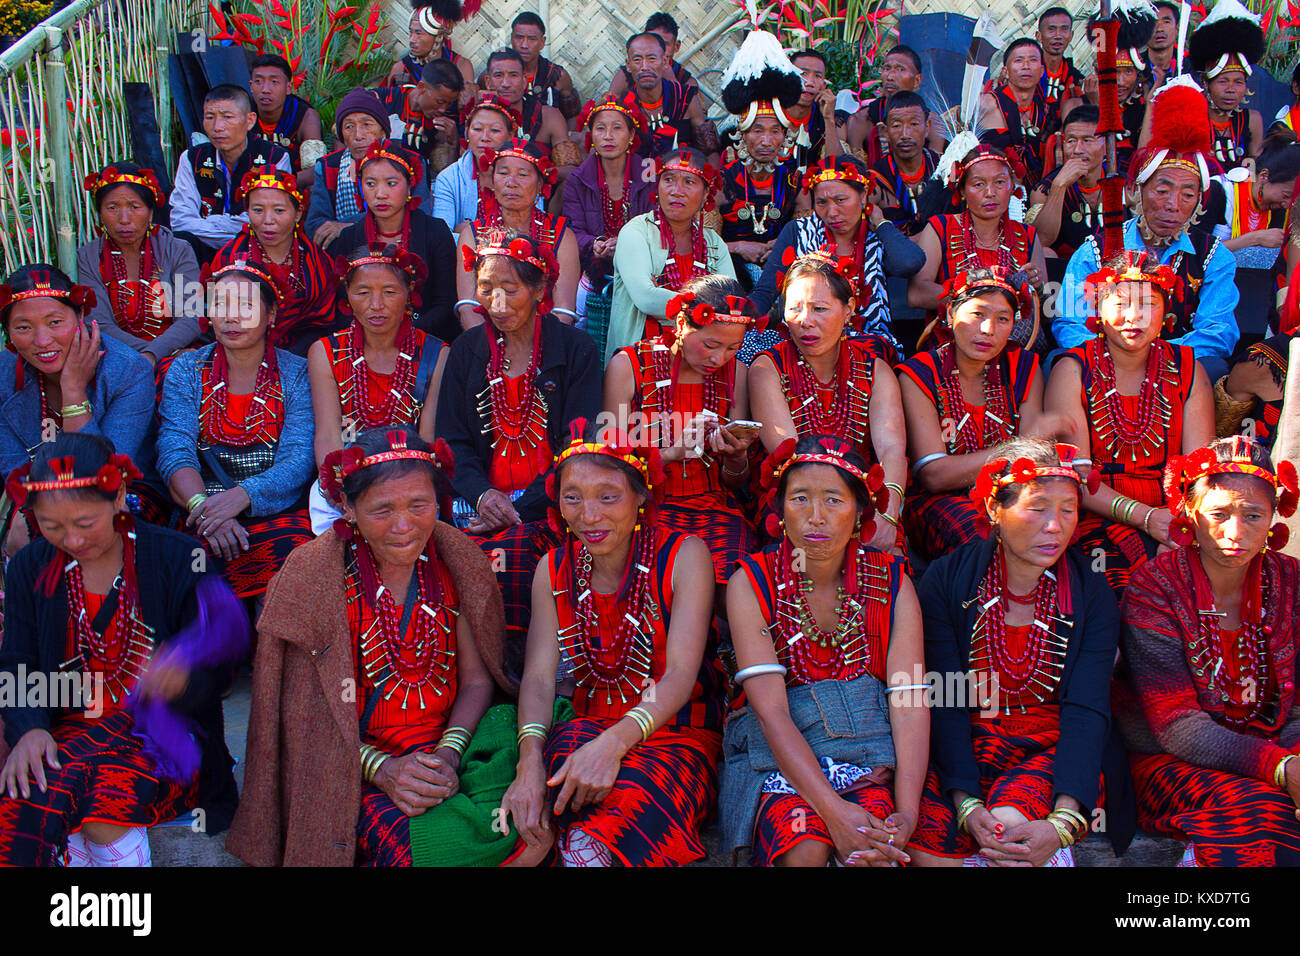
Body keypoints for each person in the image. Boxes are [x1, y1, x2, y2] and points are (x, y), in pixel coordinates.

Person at [226, 427, 522, 866]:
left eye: (419, 505)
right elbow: (307, 715)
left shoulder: (456, 561)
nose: (404, 526)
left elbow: (479, 682)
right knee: (431, 849)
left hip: (446, 752)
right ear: (347, 507)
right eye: (382, 509)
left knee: (531, 802)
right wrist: (385, 771)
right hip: (349, 766)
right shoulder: (313, 579)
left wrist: (446, 755)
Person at [0, 433, 245, 866]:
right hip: (69, 731)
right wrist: (28, 731)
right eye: (53, 526)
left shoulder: (177, 555)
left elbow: (222, 666)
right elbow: (18, 663)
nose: (71, 540)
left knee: (88, 801)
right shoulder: (29, 567)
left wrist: (183, 678)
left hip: (163, 738)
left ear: (119, 497)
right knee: (36, 787)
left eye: (85, 522)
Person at [501, 425, 724, 866]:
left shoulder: (683, 556)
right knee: (534, 811)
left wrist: (612, 745)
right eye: (572, 497)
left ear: (642, 495)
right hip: (584, 730)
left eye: (608, 496)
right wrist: (529, 761)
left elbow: (680, 675)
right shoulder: (554, 568)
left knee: (618, 820)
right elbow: (541, 677)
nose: (588, 515)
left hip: (675, 733)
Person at [721, 435, 928, 866]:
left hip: (868, 755)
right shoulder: (752, 582)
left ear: (859, 513)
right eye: (800, 498)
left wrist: (907, 812)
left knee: (876, 851)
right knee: (805, 849)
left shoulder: (892, 583)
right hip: (778, 763)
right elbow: (771, 713)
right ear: (780, 510)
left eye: (833, 500)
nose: (815, 517)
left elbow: (908, 703)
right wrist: (833, 814)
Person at [912, 441, 1120, 867]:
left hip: (1052, 748)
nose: (1055, 526)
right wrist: (966, 801)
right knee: (927, 852)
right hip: (965, 743)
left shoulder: (1091, 592)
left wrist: (1063, 818)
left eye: (1067, 509)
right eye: (1038, 507)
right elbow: (946, 700)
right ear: (994, 508)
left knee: (1011, 837)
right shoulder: (946, 582)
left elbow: (1087, 707)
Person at [1117, 436, 1300, 866]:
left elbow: (1297, 709)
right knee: (1260, 816)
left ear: (1274, 517)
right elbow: (1176, 725)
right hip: (1169, 762)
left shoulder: (1293, 583)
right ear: (1190, 514)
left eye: (1253, 515)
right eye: (1219, 514)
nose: (1235, 533)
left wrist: (1293, 761)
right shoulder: (1156, 586)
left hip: (1278, 751)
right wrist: (1280, 769)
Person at [1046, 250, 1215, 594]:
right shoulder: (1074, 370)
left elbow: (1200, 472)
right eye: (1121, 302)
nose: (1134, 316)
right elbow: (1075, 478)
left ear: (1166, 312)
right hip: (1096, 511)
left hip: (1174, 512)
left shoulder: (1188, 369)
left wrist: (1178, 526)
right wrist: (1147, 519)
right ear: (1098, 308)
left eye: (1149, 303)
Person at [1056, 78, 1239, 381]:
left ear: (1198, 203)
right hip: (1104, 368)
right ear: (1136, 191)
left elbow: (1218, 332)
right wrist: (1118, 356)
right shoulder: (1097, 249)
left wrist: (1152, 357)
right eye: (1162, 190)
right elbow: (1069, 323)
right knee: (1063, 365)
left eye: (1187, 194)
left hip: (1174, 369)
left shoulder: (1214, 257)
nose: (1173, 204)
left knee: (1214, 368)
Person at [157, 260, 315, 601]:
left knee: (293, 562)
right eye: (220, 304)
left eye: (245, 305)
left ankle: (270, 654)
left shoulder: (297, 373)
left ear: (271, 314)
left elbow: (299, 457)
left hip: (274, 511)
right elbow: (174, 447)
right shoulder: (186, 369)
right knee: (188, 566)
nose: (231, 317)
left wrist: (240, 498)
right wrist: (206, 509)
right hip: (198, 510)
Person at [439, 231, 600, 533]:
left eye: (510, 290)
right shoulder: (466, 350)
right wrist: (483, 496)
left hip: (551, 506)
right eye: (486, 288)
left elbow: (577, 442)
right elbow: (452, 440)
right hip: (477, 506)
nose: (497, 304)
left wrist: (518, 511)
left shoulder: (576, 350)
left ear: (539, 290)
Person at [603, 276, 760, 587]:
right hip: (644, 509)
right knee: (656, 581)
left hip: (715, 508)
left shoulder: (736, 374)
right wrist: (674, 453)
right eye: (711, 345)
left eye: (733, 348)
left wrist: (736, 457)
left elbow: (734, 481)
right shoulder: (630, 365)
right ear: (681, 322)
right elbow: (608, 468)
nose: (719, 359)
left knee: (735, 580)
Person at [748, 251, 907, 554]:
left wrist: (888, 513)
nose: (805, 321)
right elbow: (788, 456)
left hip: (862, 497)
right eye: (794, 309)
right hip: (794, 499)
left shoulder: (874, 370)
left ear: (849, 310)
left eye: (819, 308)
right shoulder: (768, 368)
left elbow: (892, 449)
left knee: (887, 556)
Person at [898, 267, 1047, 563]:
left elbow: (1032, 462)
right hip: (938, 501)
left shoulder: (1024, 367)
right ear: (951, 313)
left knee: (1046, 530)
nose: (988, 330)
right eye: (977, 314)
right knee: (985, 538)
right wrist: (1017, 449)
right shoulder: (920, 373)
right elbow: (934, 475)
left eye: (1002, 319)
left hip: (1011, 492)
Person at [307, 245, 447, 531]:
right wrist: (339, 488)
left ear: (409, 293)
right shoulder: (325, 352)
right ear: (347, 295)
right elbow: (329, 434)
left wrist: (401, 489)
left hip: (411, 475)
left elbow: (428, 438)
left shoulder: (436, 353)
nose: (376, 304)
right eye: (362, 292)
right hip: (346, 479)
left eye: (389, 291)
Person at [0, 266, 155, 507]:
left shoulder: (128, 371)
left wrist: (72, 391)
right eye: (23, 327)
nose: (42, 341)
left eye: (55, 322)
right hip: (34, 495)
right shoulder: (4, 373)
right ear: (8, 332)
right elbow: (12, 466)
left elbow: (104, 474)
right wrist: (26, 513)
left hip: (119, 495)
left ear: (80, 315)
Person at [750, 156, 924, 361]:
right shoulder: (799, 231)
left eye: (841, 200)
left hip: (868, 344)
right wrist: (735, 316)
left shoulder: (878, 235)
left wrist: (881, 222)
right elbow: (765, 292)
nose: (831, 212)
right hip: (806, 340)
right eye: (821, 202)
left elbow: (909, 263)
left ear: (863, 196)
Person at [606, 148, 733, 363]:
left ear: (705, 195)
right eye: (669, 180)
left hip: (704, 360)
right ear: (657, 188)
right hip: (641, 362)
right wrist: (706, 308)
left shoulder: (713, 244)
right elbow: (646, 299)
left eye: (689, 182)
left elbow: (730, 302)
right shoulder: (636, 232)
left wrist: (670, 299)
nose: (676, 190)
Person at [909, 143, 1047, 331]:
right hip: (952, 343)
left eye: (999, 182)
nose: (990, 193)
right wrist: (976, 299)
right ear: (962, 191)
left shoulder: (1027, 236)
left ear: (1012, 187)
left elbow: (1047, 304)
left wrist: (1036, 288)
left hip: (1013, 344)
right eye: (979, 184)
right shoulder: (940, 228)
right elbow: (917, 293)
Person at [77, 163, 202, 363]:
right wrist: (151, 354)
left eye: (135, 207)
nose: (124, 219)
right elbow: (98, 323)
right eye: (112, 208)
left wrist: (156, 354)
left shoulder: (177, 250)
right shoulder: (89, 257)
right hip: (117, 356)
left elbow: (193, 316)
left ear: (151, 212)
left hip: (180, 354)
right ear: (100, 213)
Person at [209, 166, 340, 356]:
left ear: (298, 213)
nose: (267, 220)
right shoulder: (229, 258)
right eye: (258, 210)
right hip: (239, 353)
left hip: (304, 355)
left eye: (279, 210)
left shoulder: (316, 261)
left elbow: (322, 323)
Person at [336, 140, 458, 341]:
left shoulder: (435, 232)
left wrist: (399, 334)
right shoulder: (349, 238)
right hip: (364, 340)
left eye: (391, 183)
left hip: (424, 338)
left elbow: (444, 304)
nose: (380, 194)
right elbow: (343, 304)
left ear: (410, 186)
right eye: (370, 184)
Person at [453, 138, 580, 329]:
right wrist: (492, 349)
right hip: (485, 338)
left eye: (522, 174)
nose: (511, 183)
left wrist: (534, 350)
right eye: (503, 173)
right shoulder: (473, 234)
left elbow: (563, 310)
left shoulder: (561, 235)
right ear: (493, 180)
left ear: (539, 185)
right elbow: (468, 306)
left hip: (546, 338)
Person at [716, 29, 808, 288]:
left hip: (783, 271)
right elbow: (705, 242)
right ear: (742, 135)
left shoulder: (795, 180)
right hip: (732, 275)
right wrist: (738, 247)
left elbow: (806, 234)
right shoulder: (722, 182)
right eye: (757, 130)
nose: (767, 141)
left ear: (785, 136)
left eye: (775, 131)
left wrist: (782, 245)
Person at [562, 94, 655, 348]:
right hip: (594, 262)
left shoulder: (649, 174)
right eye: (600, 128)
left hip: (641, 261)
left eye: (617, 128)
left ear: (632, 135)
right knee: (583, 305)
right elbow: (573, 229)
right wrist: (595, 245)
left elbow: (657, 222)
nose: (608, 136)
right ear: (591, 135)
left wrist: (627, 245)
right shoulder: (578, 179)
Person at [169, 85, 292, 264]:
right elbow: (180, 222)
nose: (217, 127)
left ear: (249, 121)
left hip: (255, 251)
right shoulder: (192, 158)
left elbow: (266, 224)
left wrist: (211, 222)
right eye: (210, 117)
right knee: (182, 240)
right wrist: (233, 226)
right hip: (202, 251)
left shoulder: (275, 158)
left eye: (227, 117)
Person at [307, 88, 433, 254]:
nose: (358, 135)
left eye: (367, 124)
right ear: (342, 135)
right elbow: (315, 224)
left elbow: (420, 217)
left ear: (383, 131)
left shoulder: (412, 162)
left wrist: (351, 227)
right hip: (348, 254)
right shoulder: (329, 167)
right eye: (349, 127)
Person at [1187, 0, 1265, 172]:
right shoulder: (1192, 119)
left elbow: (1254, 172)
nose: (1231, 89)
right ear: (1205, 83)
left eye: (1238, 82)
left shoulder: (1252, 120)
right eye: (1223, 81)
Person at [623, 32, 719, 163]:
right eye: (637, 60)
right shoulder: (623, 106)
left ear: (664, 62)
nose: (644, 67)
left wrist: (712, 181)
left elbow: (709, 149)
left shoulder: (684, 98)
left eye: (651, 59)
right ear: (628, 65)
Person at [432, 94, 520, 233]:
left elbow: (530, 231)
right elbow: (443, 238)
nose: (484, 138)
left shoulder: (525, 174)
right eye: (477, 129)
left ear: (511, 135)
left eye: (495, 130)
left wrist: (469, 230)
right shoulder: (449, 178)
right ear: (467, 132)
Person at [480, 49, 576, 175]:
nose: (506, 84)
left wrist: (534, 175)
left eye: (513, 75)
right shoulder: (478, 118)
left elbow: (570, 169)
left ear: (524, 80)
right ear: (488, 82)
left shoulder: (548, 116)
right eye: (498, 76)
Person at [1029, 105, 1106, 258]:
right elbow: (1041, 242)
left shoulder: (1123, 185)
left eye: (1087, 140)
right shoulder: (1044, 189)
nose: (1077, 150)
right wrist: (1059, 187)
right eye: (1071, 141)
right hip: (1064, 275)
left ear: (1107, 144)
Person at [1209, 137, 1300, 267]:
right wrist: (1254, 239)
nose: (1286, 205)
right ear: (1264, 176)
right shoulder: (1220, 191)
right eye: (1286, 195)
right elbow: (1198, 251)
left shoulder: (1279, 208)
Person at [847, 46, 942, 166]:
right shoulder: (861, 120)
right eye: (887, 68)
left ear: (917, 80)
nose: (890, 77)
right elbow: (856, 173)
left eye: (900, 69)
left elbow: (936, 171)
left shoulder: (932, 123)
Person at [978, 38, 1054, 186]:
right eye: (1019, 60)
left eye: (1033, 60)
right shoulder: (986, 104)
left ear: (1042, 71)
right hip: (992, 189)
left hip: (1033, 192)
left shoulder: (1044, 110)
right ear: (1005, 71)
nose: (1026, 66)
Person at [379, 58, 465, 182]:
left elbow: (444, 180)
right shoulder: (383, 99)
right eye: (440, 102)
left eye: (449, 104)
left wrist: (453, 144)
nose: (443, 109)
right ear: (421, 87)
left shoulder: (439, 129)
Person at [249, 53, 324, 190]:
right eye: (259, 81)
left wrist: (277, 183)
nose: (265, 90)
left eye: (274, 82)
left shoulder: (305, 116)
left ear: (288, 88)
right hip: (249, 184)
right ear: (251, 86)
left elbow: (316, 169)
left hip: (291, 187)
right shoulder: (243, 112)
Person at [871, 91, 940, 236]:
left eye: (914, 124)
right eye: (896, 125)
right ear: (885, 132)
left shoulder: (943, 168)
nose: (905, 134)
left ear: (927, 127)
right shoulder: (876, 180)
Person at [386, 0, 478, 106]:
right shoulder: (401, 68)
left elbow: (466, 110)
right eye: (411, 32)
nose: (412, 39)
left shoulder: (462, 66)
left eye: (419, 33)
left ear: (438, 37)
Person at [499, 11, 580, 120]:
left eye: (532, 39)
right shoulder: (496, 75)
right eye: (519, 38)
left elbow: (572, 116)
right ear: (511, 39)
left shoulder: (558, 76)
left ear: (542, 42)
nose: (524, 45)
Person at [609, 12, 699, 97]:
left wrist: (672, 83)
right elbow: (607, 106)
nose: (657, 50)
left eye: (664, 44)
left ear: (676, 46)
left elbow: (696, 111)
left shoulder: (686, 82)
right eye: (652, 43)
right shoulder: (627, 75)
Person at [782, 49, 844, 171]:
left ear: (824, 86)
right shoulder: (768, 110)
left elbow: (836, 168)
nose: (809, 83)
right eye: (803, 73)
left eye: (818, 76)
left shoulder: (826, 117)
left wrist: (829, 119)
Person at [1037, 7, 1084, 115]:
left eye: (1064, 29)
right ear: (1038, 36)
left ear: (1071, 35)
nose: (1058, 36)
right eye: (1051, 29)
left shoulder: (1075, 79)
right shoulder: (1027, 71)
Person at [1144, 1, 1181, 91]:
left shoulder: (1191, 69)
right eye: (1153, 22)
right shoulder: (1134, 69)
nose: (1159, 29)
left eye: (1166, 22)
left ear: (1177, 29)